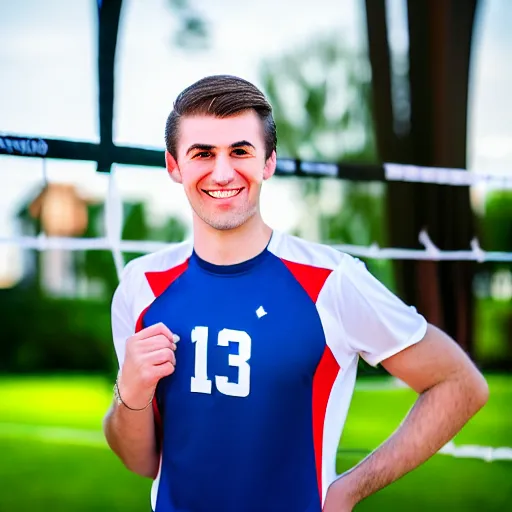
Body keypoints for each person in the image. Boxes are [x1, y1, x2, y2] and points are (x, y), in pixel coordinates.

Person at [103, 75, 489, 512]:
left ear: (268, 162)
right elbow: (139, 460)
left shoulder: (331, 280)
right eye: (203, 153)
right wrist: (130, 390)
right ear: (174, 166)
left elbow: (459, 384)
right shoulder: (142, 285)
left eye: (240, 151)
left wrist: (349, 489)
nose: (223, 171)